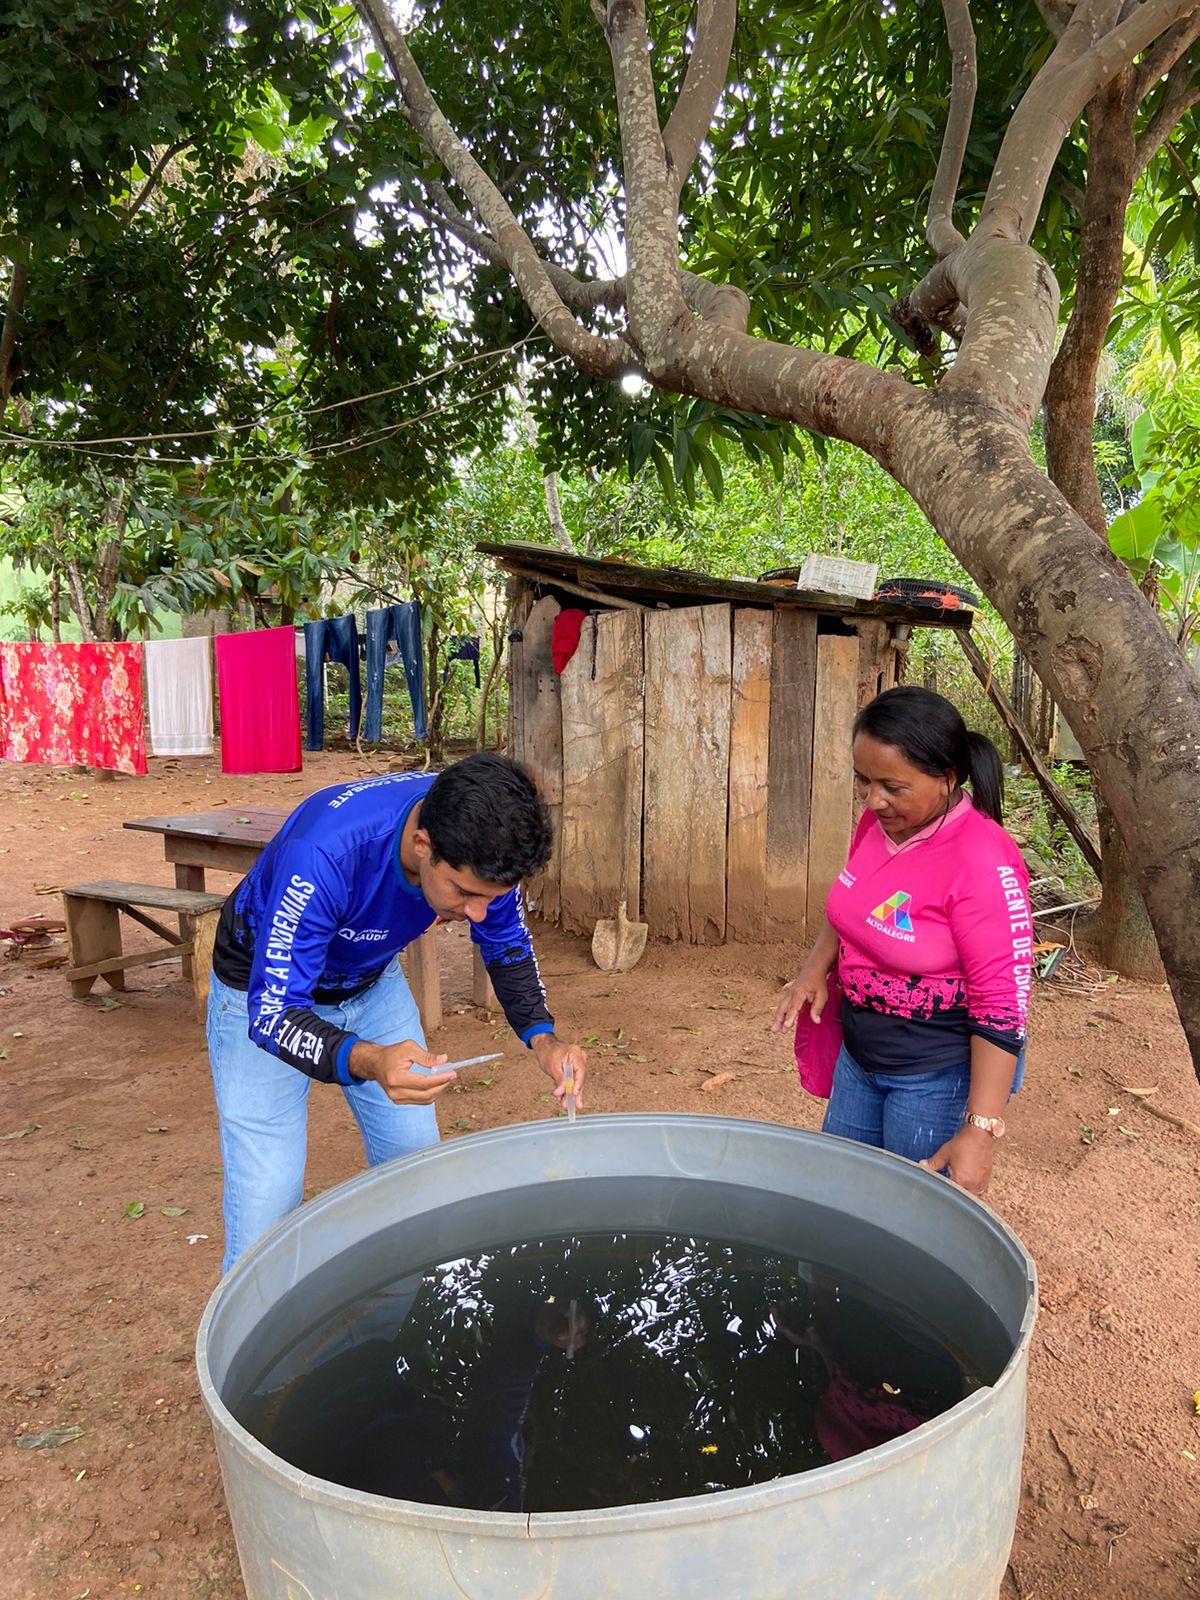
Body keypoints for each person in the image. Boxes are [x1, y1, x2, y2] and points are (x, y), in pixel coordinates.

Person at [207, 752, 588, 1271]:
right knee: (267, 1202)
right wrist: (369, 1059)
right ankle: (238, 1346)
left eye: (490, 898)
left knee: (416, 1165)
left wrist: (545, 1041)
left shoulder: (481, 834)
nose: (476, 914)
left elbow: (506, 944)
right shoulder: (323, 855)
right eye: (465, 894)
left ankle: (405, 1311)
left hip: (370, 979)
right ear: (421, 845)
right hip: (261, 991)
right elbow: (274, 1015)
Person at [772, 686, 1031, 1195]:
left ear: (947, 778)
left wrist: (980, 1130)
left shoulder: (982, 862)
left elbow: (1003, 1006)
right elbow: (852, 905)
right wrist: (814, 970)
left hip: (932, 1074)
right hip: (860, 1056)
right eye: (864, 781)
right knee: (843, 1196)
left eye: (892, 785)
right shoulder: (877, 823)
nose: (873, 800)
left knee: (910, 1211)